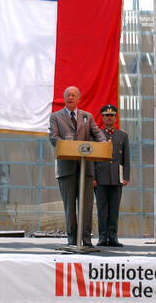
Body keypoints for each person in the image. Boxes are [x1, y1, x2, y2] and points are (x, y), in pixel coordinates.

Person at [49, 86, 106, 247]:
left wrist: (104, 144)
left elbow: (98, 134)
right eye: (68, 95)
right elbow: (53, 137)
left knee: (86, 206)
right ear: (64, 98)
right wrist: (68, 146)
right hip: (66, 168)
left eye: (74, 95)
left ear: (79, 98)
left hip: (85, 168)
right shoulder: (56, 117)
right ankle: (72, 239)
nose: (71, 98)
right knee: (69, 206)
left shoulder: (87, 117)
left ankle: (86, 240)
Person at [94, 104, 130, 247]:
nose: (109, 118)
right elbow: (93, 159)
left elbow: (126, 158)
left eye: (112, 115)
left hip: (116, 177)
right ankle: (103, 237)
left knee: (114, 209)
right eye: (106, 115)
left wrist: (126, 177)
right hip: (101, 178)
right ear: (102, 117)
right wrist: (93, 178)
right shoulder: (96, 135)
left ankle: (113, 236)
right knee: (102, 209)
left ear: (115, 117)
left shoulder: (123, 135)